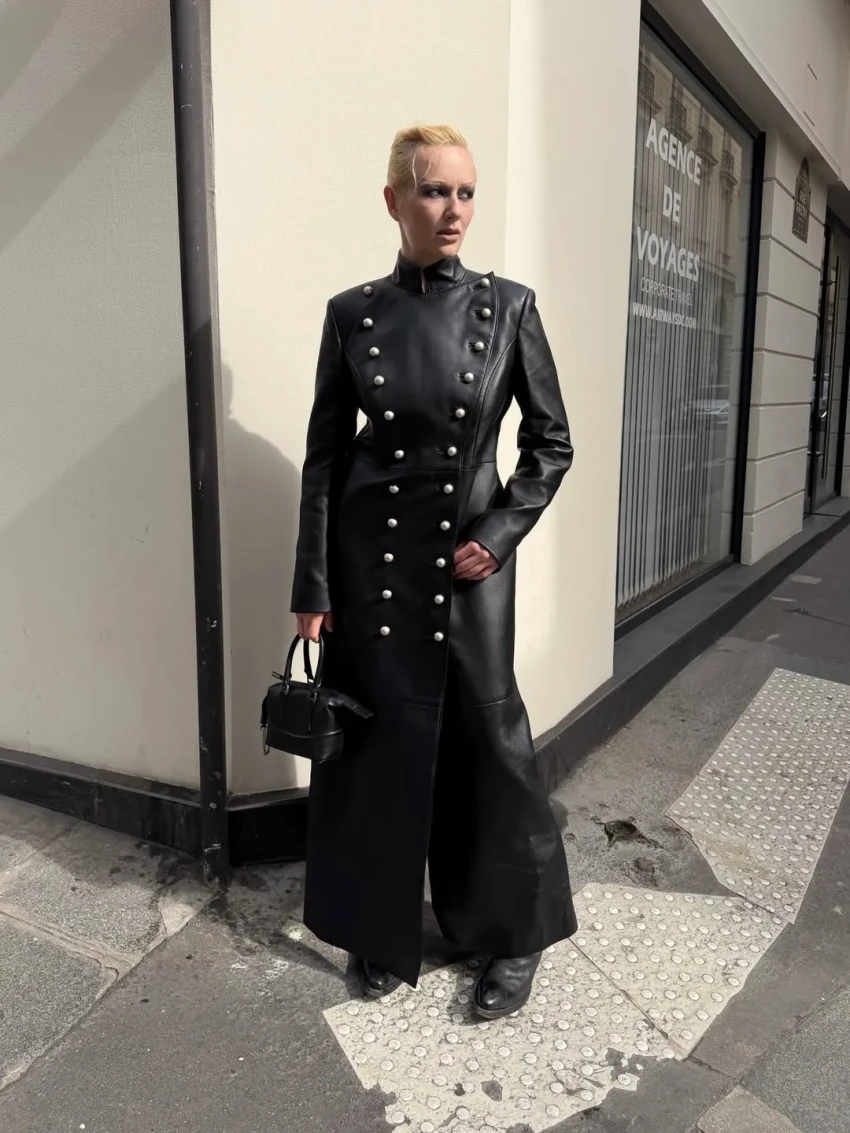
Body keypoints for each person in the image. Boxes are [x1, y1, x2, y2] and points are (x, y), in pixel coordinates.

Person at [291, 124, 578, 1019]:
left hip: (467, 564)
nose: (452, 210)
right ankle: (377, 926)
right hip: (371, 564)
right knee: (376, 747)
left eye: (464, 192)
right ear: (394, 200)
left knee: (491, 744)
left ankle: (515, 933)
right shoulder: (352, 313)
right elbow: (324, 459)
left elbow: (550, 443)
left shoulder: (510, 307)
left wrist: (501, 529)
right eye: (432, 191)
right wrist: (313, 588)